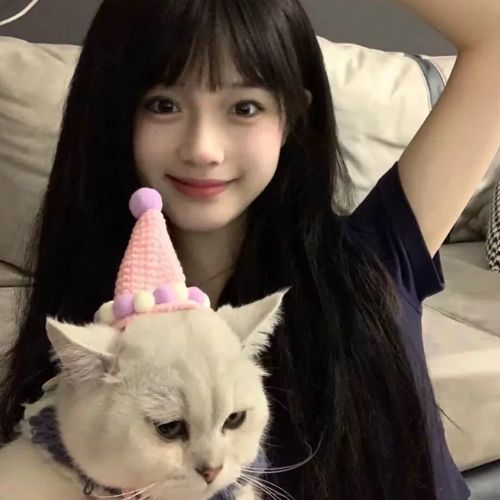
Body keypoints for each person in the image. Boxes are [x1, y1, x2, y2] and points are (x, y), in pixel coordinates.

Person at [1, 0, 499, 498]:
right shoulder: (87, 333)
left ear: (291, 118)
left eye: (244, 108)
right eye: (163, 105)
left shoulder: (373, 263)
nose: (203, 149)